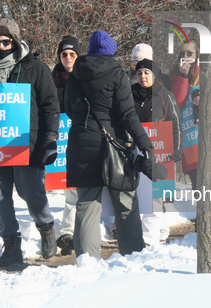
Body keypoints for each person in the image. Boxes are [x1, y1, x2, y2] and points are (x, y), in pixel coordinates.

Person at [0, 18, 59, 266]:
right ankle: (11, 246)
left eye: (6, 42)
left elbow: (50, 105)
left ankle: (46, 226)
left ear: (16, 42)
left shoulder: (36, 68)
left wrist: (50, 138)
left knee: (30, 191)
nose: (2, 46)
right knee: (0, 195)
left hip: (26, 142)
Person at [65, 30, 153, 258]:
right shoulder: (117, 75)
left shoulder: (75, 74)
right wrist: (145, 144)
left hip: (81, 143)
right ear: (111, 51)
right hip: (115, 145)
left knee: (86, 203)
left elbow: (67, 107)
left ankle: (86, 260)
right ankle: (133, 256)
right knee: (125, 202)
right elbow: (128, 114)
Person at [131, 59, 183, 245]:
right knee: (141, 194)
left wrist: (176, 150)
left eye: (147, 73)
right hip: (136, 150)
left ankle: (150, 239)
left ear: (154, 75)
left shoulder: (165, 95)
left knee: (154, 194)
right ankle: (158, 229)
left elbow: (176, 123)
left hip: (160, 151)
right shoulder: (130, 95)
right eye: (139, 74)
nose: (143, 77)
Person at [51, 35, 81, 256]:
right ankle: (68, 234)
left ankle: (82, 231)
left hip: (83, 136)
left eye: (72, 54)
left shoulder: (86, 77)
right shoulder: (53, 79)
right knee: (70, 189)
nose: (68, 58)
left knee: (83, 190)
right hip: (61, 139)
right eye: (64, 54)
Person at [170, 39, 200, 189]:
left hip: (205, 137)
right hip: (189, 137)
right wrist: (183, 76)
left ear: (198, 54)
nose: (185, 56)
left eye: (190, 53)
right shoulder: (175, 75)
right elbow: (177, 103)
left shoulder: (207, 73)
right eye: (183, 53)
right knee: (196, 183)